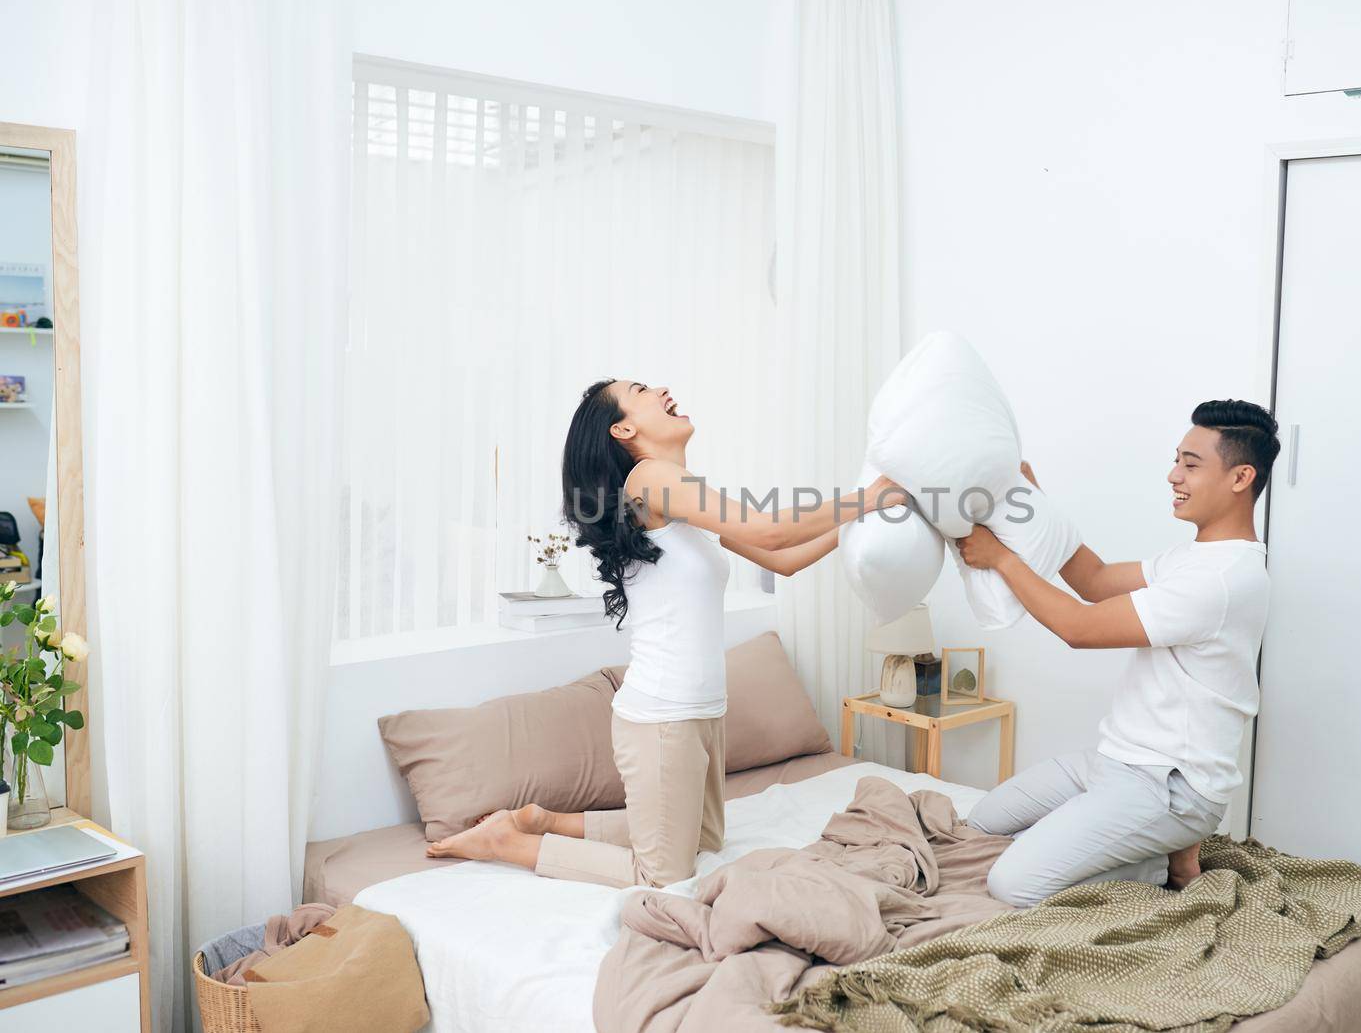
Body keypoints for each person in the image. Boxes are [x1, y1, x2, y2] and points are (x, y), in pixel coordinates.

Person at [426, 379, 902, 887]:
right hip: (662, 716)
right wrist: (867, 498)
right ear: (623, 427)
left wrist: (868, 516)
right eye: (642, 390)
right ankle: (508, 842)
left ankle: (546, 821)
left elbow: (781, 559)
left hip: (703, 711)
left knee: (706, 841)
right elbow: (772, 530)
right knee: (661, 876)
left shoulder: (680, 492)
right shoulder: (650, 478)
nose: (664, 390)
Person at [955, 399, 1278, 906]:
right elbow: (1095, 580)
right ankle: (1162, 848)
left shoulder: (1219, 580)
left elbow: (1078, 628)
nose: (1174, 475)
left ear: (1241, 478)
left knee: (1011, 882)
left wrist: (1000, 557)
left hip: (1168, 787)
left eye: (1191, 465)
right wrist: (1038, 506)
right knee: (983, 822)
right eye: (1177, 460)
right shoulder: (1195, 558)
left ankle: (1154, 863)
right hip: (1117, 761)